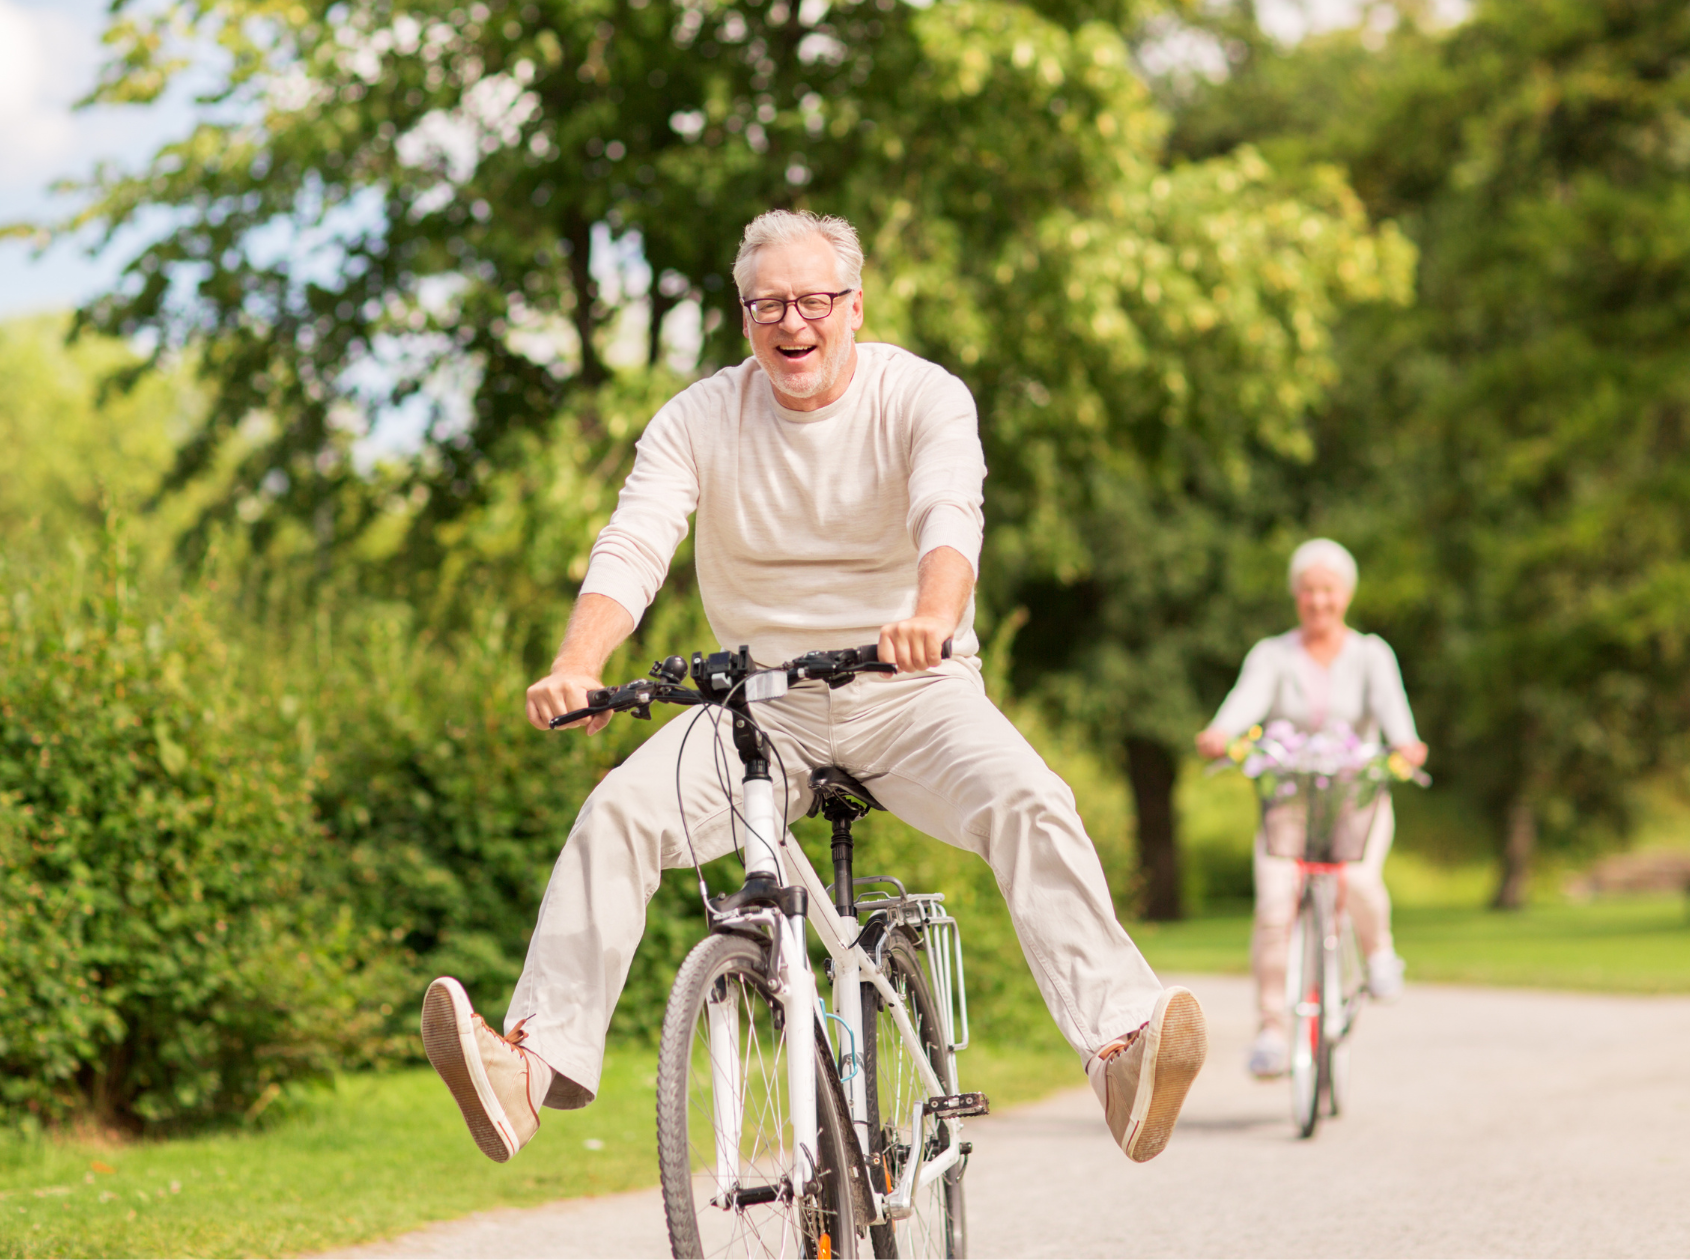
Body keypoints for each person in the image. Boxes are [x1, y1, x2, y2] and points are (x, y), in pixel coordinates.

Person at [419, 210, 1206, 1166]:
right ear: (744, 317)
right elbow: (634, 543)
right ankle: (528, 1071)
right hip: (759, 706)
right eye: (768, 306)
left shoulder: (921, 395)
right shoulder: (699, 416)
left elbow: (950, 514)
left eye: (813, 300)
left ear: (854, 306)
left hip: (912, 690)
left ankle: (1121, 1051)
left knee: (1030, 799)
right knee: (618, 814)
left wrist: (932, 614)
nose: (793, 323)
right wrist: (576, 663)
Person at [1192, 539, 1427, 1080]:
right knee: (1275, 905)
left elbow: (1398, 721)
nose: (1318, 601)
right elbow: (1242, 704)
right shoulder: (1273, 655)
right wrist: (1221, 733)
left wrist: (1407, 746)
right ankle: (1272, 1031)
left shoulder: (1372, 654)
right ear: (1297, 596)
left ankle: (1380, 953)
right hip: (1290, 801)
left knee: (1360, 880)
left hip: (1356, 798)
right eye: (1308, 591)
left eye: (1329, 591)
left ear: (1345, 596)